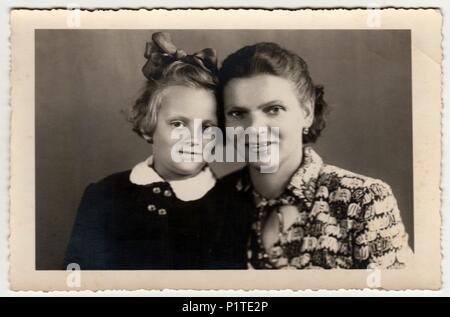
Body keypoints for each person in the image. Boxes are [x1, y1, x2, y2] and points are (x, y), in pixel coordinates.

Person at [217, 42, 413, 269]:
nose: (254, 128)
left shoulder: (363, 200)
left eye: (274, 109)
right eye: (237, 113)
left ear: (307, 113)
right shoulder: (212, 203)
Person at [64, 32, 239, 269]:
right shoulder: (104, 196)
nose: (193, 139)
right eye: (178, 124)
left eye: (206, 127)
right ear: (149, 126)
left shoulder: (232, 206)